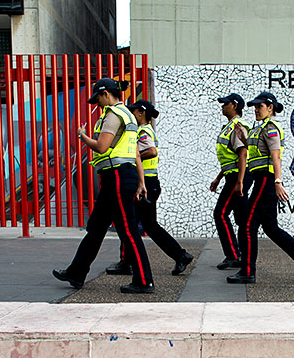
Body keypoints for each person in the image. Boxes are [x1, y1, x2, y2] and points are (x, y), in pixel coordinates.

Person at [52, 78, 155, 294]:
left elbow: (101, 147)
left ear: (106, 94)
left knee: (128, 230)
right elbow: (135, 154)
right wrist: (140, 181)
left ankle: (144, 281)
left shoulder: (113, 115)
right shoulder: (128, 115)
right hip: (118, 177)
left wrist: (82, 135)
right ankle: (76, 273)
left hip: (117, 177)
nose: (97, 103)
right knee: (96, 227)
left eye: (98, 98)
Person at [228, 91, 294, 284]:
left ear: (270, 108)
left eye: (260, 106)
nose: (256, 110)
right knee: (271, 228)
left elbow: (275, 156)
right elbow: (256, 150)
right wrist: (242, 137)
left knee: (248, 225)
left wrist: (278, 182)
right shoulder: (259, 128)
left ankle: (247, 271)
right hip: (262, 180)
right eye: (255, 107)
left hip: (266, 181)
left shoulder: (271, 128)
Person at [103, 99, 194, 277]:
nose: (131, 115)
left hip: (146, 184)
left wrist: (132, 157)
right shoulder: (144, 130)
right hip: (149, 183)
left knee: (130, 223)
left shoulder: (143, 131)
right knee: (146, 225)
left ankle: (127, 262)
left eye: (133, 111)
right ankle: (179, 255)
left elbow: (151, 151)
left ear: (141, 113)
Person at [209, 93, 251, 270]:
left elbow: (243, 154)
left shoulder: (237, 126)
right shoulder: (229, 126)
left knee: (220, 213)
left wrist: (240, 182)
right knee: (242, 218)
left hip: (237, 177)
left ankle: (233, 255)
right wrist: (218, 178)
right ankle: (244, 255)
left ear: (234, 105)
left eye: (225, 103)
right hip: (233, 175)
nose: (222, 106)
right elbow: (231, 157)